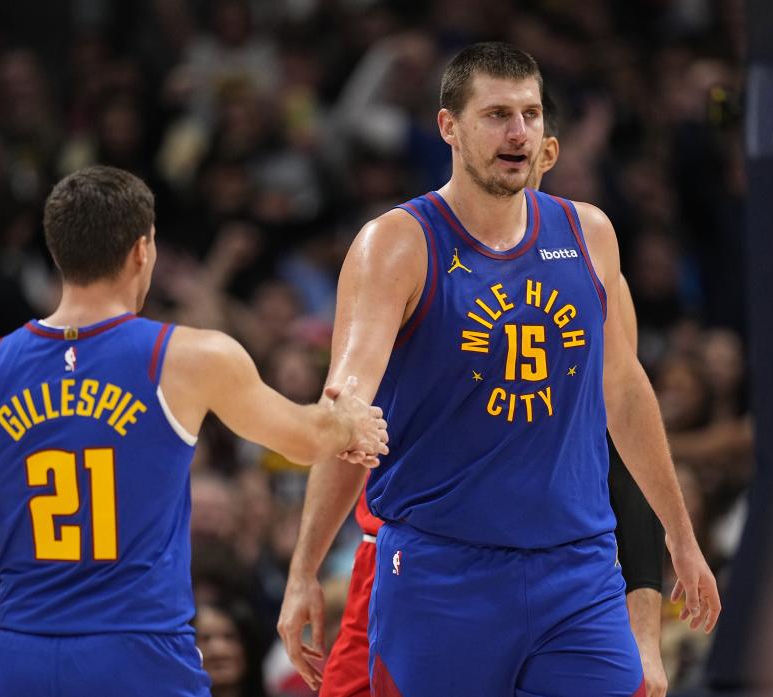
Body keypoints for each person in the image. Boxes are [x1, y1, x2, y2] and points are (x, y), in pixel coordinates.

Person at [278, 42, 718, 696]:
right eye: (497, 115)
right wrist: (305, 567)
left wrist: (679, 537)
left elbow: (624, 395)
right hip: (442, 573)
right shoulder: (398, 243)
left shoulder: (589, 233)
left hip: (578, 571)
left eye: (531, 114)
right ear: (448, 128)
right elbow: (347, 405)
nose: (517, 132)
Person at [0, 165, 389, 697]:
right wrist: (349, 423)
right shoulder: (188, 357)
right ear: (142, 251)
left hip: (24, 657)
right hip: (139, 657)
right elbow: (305, 439)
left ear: (57, 251)